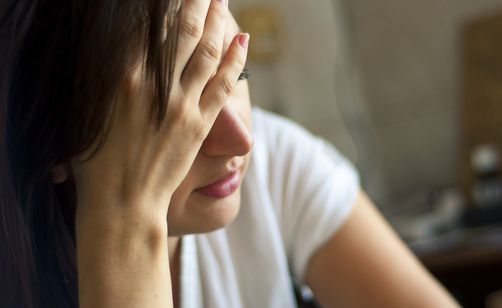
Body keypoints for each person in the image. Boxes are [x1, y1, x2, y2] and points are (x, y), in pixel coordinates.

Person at [0, 0, 460, 307]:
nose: (242, 140)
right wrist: (125, 219)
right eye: (169, 108)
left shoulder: (275, 162)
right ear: (55, 147)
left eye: (233, 76)